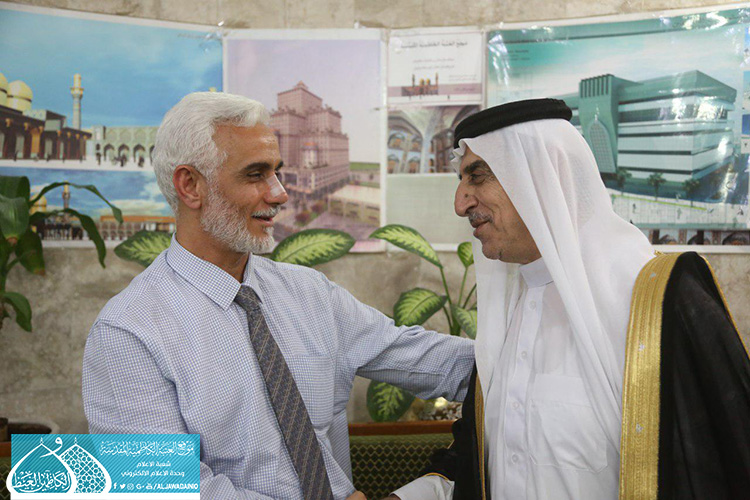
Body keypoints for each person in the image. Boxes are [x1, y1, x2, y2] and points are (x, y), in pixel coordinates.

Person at [82, 92, 475, 500]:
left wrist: (516, 361)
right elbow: (167, 490)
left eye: (276, 173)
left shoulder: (309, 293)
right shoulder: (127, 333)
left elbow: (431, 361)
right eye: (255, 175)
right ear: (190, 186)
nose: (280, 193)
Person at [391, 98, 750, 500]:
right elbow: (479, 459)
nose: (461, 203)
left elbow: (724, 463)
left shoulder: (661, 301)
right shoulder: (506, 312)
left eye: (477, 176)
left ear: (543, 176)